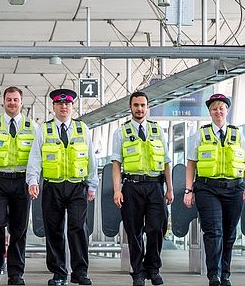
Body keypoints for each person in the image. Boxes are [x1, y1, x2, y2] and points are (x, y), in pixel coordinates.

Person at [27, 88, 98, 286]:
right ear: (54, 107)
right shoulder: (44, 129)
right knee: (54, 230)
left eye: (67, 104)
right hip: (52, 187)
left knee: (78, 228)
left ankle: (80, 272)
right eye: (60, 103)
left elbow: (91, 158)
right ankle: (59, 273)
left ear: (72, 106)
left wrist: (92, 185)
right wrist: (33, 181)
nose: (64, 106)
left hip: (77, 187)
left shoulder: (82, 129)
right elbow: (35, 158)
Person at [110, 91, 173, 286]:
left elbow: (166, 162)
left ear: (147, 107)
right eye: (136, 105)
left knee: (156, 228)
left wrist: (170, 188)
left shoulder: (158, 131)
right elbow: (116, 164)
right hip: (131, 187)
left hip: (155, 186)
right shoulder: (121, 132)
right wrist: (117, 190)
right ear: (130, 107)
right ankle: (138, 272)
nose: (139, 108)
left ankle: (153, 268)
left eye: (143, 105)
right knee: (133, 230)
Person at [0, 86, 38, 285]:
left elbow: (37, 158)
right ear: (3, 102)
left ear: (22, 103)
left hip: (22, 182)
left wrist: (34, 181)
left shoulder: (33, 127)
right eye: (9, 100)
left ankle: (15, 273)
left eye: (16, 100)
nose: (12, 103)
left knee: (19, 229)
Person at [183, 93, 245, 286]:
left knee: (229, 233)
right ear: (209, 112)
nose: (218, 111)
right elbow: (191, 164)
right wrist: (188, 190)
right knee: (214, 232)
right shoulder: (200, 134)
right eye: (214, 108)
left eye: (221, 108)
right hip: (207, 189)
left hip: (234, 188)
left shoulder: (238, 134)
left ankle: (225, 273)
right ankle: (214, 275)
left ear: (227, 110)